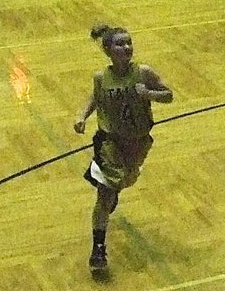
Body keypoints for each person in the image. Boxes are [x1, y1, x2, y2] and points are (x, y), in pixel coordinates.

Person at [73, 24, 174, 272]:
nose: (127, 47)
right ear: (108, 50)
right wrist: (82, 116)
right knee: (105, 192)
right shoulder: (101, 78)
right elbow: (95, 98)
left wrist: (149, 94)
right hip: (110, 141)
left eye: (129, 42)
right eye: (120, 43)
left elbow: (169, 95)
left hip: (137, 141)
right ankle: (98, 249)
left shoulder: (143, 72)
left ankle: (114, 189)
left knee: (124, 180)